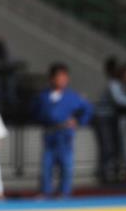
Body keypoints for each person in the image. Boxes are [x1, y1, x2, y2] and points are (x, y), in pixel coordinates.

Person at [34, 63, 93, 197]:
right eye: (59, 77)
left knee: (66, 165)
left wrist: (77, 121)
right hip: (50, 134)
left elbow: (87, 110)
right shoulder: (43, 96)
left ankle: (64, 193)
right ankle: (45, 191)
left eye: (65, 77)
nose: (63, 80)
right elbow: (35, 112)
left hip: (65, 135)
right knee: (47, 165)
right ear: (52, 79)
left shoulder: (72, 97)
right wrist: (44, 119)